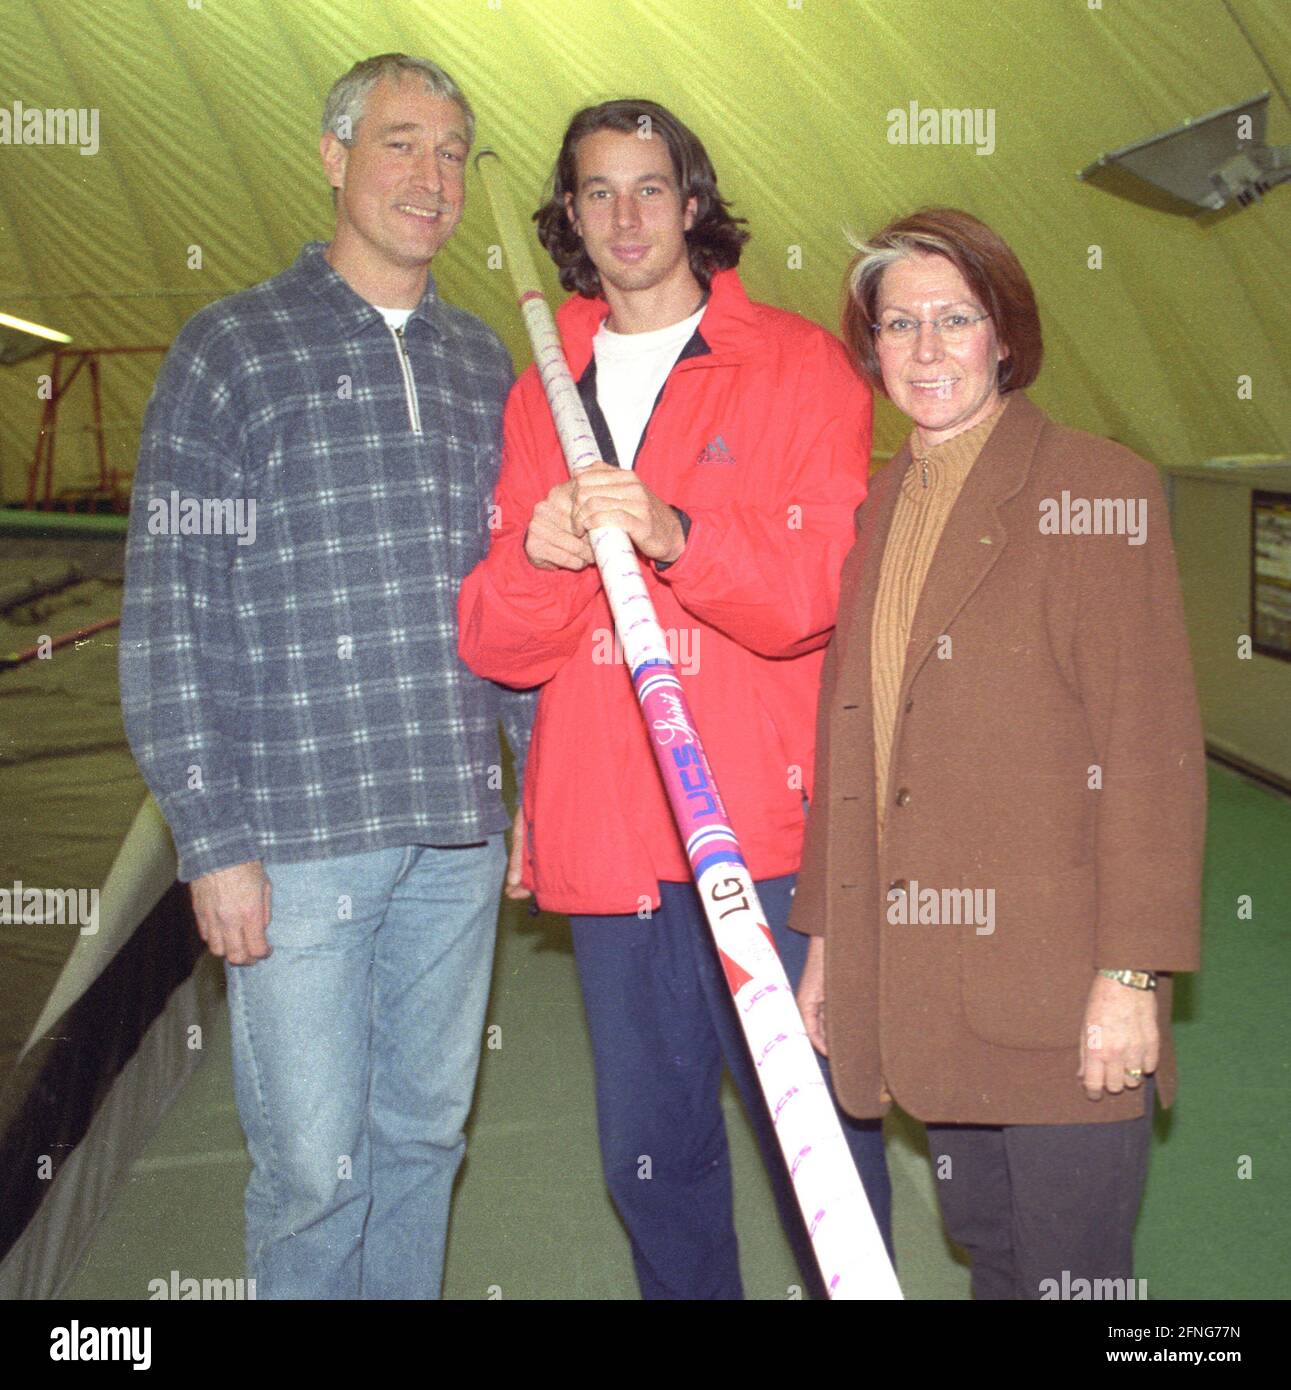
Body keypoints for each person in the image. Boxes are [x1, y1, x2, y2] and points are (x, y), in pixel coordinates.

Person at [457, 99, 891, 1300]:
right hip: (609, 838)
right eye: (598, 192)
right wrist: (540, 560)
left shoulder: (799, 365)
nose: (626, 216)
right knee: (652, 1162)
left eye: (650, 188)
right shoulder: (545, 392)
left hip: (766, 835)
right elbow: (498, 638)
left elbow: (817, 589)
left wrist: (677, 531)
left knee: (826, 1145)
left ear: (693, 204)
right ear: (570, 218)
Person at [119, 54, 534, 1300]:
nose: (432, 177)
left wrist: (534, 788)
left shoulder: (481, 364)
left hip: (455, 835)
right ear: (334, 156)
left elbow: (513, 596)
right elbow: (173, 608)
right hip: (298, 843)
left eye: (455, 154)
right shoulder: (231, 347)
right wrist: (211, 836)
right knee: (312, 1169)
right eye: (403, 144)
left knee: (421, 1143)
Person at [792, 206, 1206, 1300]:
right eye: (897, 324)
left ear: (1004, 335)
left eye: (955, 320)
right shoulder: (884, 499)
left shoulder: (1097, 487)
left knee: (1074, 1274)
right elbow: (855, 734)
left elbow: (1152, 752)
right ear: (869, 345)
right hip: (925, 977)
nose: (925, 351)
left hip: (1059, 990)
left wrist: (1129, 975)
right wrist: (831, 942)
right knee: (992, 1245)